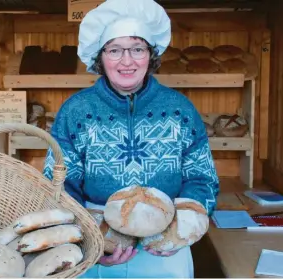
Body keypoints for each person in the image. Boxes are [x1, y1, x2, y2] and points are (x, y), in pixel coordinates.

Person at [43, 0, 220, 277]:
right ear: (100, 58)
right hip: (98, 243)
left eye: (137, 49)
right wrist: (89, 243)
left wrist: (182, 229)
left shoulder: (180, 110)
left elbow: (202, 179)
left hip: (165, 251)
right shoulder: (75, 111)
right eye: (115, 50)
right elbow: (58, 186)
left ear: (151, 55)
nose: (127, 61)